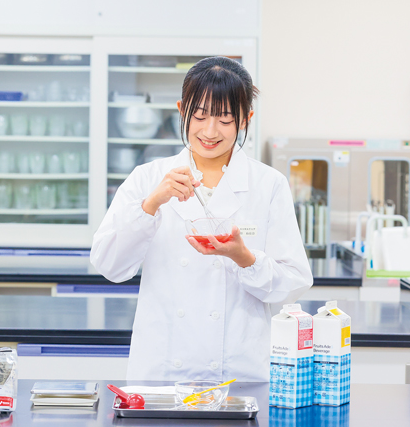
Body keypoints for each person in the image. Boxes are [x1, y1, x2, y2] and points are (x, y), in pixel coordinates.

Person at [90, 56, 313, 382]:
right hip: (163, 371)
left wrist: (245, 258)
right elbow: (108, 264)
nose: (210, 131)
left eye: (225, 119)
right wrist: (151, 204)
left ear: (245, 118)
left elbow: (294, 283)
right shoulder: (147, 178)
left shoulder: (268, 185)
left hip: (238, 372)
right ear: (182, 111)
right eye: (200, 115)